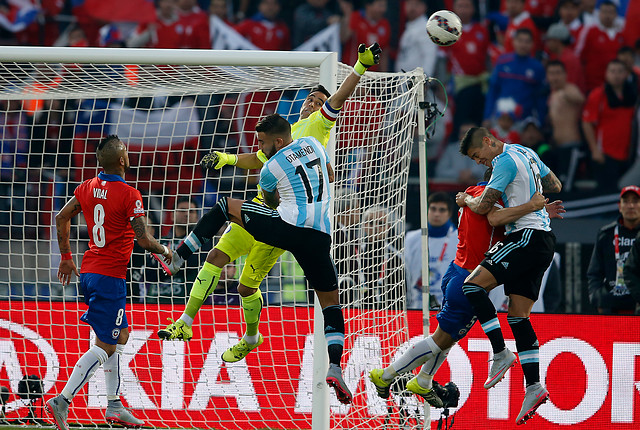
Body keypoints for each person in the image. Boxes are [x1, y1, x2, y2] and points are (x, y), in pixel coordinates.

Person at [153, 43, 381, 357]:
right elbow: (259, 159)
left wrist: (359, 67)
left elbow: (339, 98)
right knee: (216, 257)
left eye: (319, 102)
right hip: (261, 208)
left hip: (282, 218)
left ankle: (250, 338)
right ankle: (185, 321)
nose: (312, 104)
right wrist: (227, 158)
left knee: (245, 287)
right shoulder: (290, 132)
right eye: (310, 99)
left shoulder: (318, 128)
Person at [164, 113, 353, 404]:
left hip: (285, 227)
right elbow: (328, 173)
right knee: (331, 304)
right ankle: (336, 365)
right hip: (320, 236)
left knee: (227, 206)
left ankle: (180, 255)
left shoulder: (272, 167)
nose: (260, 148)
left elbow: (271, 202)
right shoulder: (315, 143)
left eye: (262, 143)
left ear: (277, 140)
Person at [370, 169, 564, 407]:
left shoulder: (473, 192)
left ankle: (423, 379)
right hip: (471, 278)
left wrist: (540, 212)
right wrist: (535, 209)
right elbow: (499, 220)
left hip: (459, 269)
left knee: (449, 337)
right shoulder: (492, 200)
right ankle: (386, 375)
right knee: (439, 340)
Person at [46, 135, 171, 430]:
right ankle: (62, 400)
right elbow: (143, 239)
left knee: (121, 336)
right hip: (110, 276)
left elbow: (61, 217)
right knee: (106, 345)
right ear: (124, 161)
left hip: (90, 271)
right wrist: (167, 251)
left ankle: (114, 406)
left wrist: (66, 256)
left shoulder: (87, 187)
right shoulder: (130, 194)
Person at [457, 127, 562, 425]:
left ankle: (501, 352)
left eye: (479, 156)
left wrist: (465, 199)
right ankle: (534, 386)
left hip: (525, 237)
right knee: (518, 316)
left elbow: (485, 208)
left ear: (489, 142)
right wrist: (533, 200)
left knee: (473, 287)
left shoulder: (502, 161)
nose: (480, 163)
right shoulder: (525, 151)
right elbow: (555, 183)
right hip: (544, 239)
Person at [582, 59, 637, 193]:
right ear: (606, 74)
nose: (616, 75)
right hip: (605, 154)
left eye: (620, 72)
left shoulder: (632, 95)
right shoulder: (598, 95)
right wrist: (595, 150)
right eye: (612, 71)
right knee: (607, 192)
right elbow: (587, 122)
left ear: (626, 74)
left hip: (627, 154)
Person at [587, 185, 640, 314]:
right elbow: (594, 273)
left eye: (635, 201)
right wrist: (597, 298)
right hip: (611, 305)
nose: (631, 206)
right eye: (626, 201)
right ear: (619, 206)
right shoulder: (606, 234)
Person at [483, 28, 546, 128]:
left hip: (524, 121)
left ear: (532, 44)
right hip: (500, 119)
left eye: (527, 42)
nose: (523, 45)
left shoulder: (537, 67)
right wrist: (487, 116)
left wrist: (540, 121)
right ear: (514, 42)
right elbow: (493, 91)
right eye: (520, 41)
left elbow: (540, 98)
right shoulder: (503, 61)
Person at [405, 192, 458, 310]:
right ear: (427, 210)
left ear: (449, 214)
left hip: (448, 307)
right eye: (433, 209)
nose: (436, 214)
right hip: (414, 306)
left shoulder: (460, 238)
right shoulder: (411, 238)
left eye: (442, 210)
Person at [546, 59, 585, 191]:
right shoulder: (553, 94)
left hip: (571, 146)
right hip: (558, 147)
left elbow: (581, 99)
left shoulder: (569, 89)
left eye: (558, 73)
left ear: (565, 75)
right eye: (551, 73)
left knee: (565, 186)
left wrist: (567, 95)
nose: (555, 77)